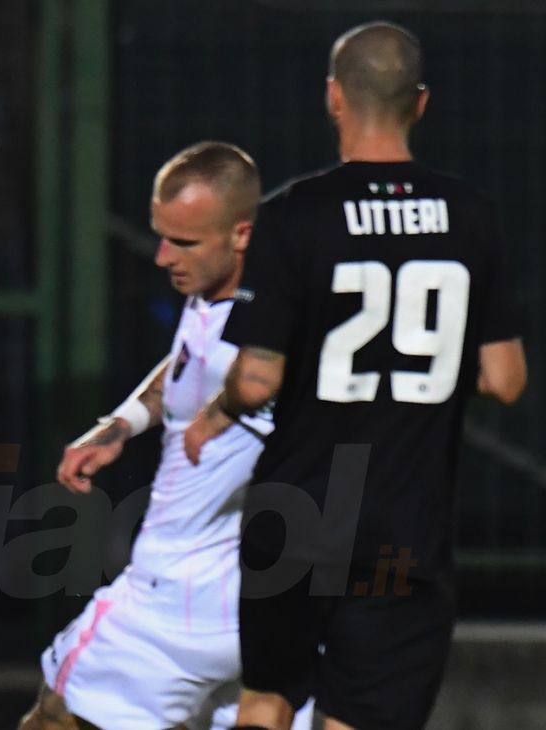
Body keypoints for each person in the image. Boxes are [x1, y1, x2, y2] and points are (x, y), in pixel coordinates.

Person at [184, 22, 527, 730]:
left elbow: (253, 382)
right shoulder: (472, 216)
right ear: (421, 104)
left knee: (266, 697)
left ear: (334, 98)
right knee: (359, 711)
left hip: (298, 508)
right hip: (403, 520)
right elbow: (505, 377)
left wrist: (221, 408)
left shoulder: (291, 214)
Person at [21, 143, 312, 730]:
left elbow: (249, 383)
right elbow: (183, 364)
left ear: (242, 234)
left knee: (54, 716)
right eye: (161, 236)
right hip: (267, 615)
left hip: (167, 605)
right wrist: (121, 424)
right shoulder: (242, 304)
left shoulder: (255, 357)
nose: (161, 256)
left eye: (184, 242)